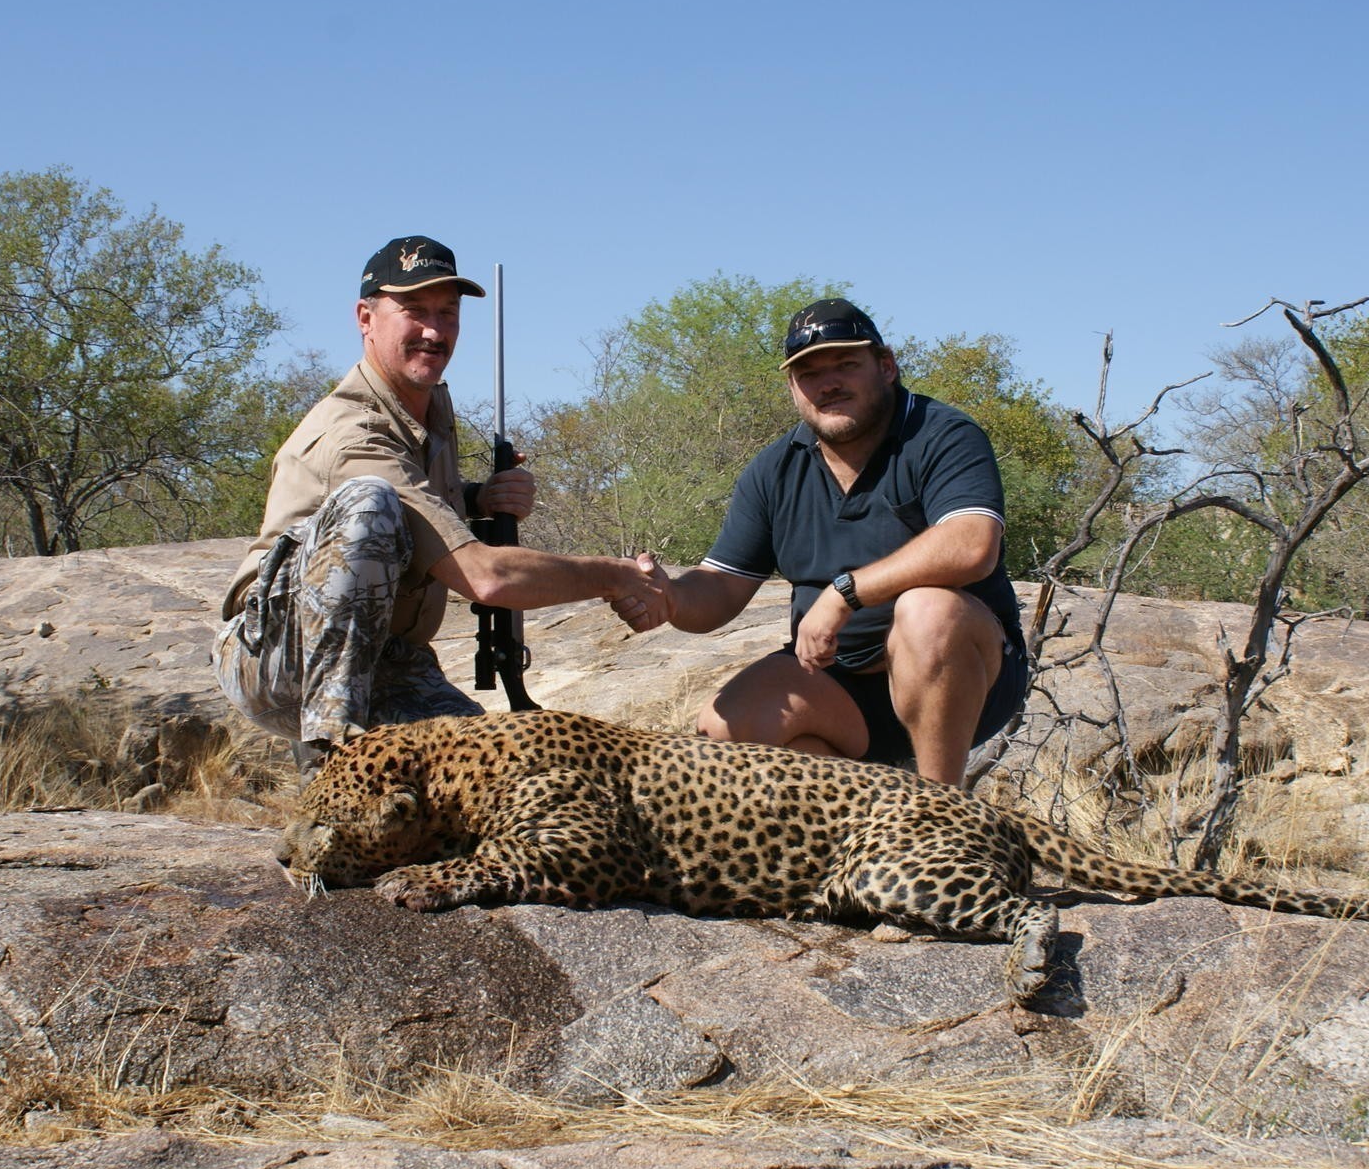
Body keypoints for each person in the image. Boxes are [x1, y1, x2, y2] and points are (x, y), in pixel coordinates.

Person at [214, 235, 667, 776]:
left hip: (390, 660)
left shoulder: (428, 404)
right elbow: (485, 578)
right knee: (367, 504)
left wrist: (477, 497)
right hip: (276, 657)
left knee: (497, 777)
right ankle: (330, 767)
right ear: (366, 317)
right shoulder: (352, 435)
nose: (434, 331)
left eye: (447, 313)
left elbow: (419, 507)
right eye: (414, 311)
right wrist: (614, 577)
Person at [650, 297, 1029, 787]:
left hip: (964, 682)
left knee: (929, 611)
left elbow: (971, 544)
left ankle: (941, 810)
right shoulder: (773, 470)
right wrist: (667, 596)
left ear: (886, 366)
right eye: (808, 373)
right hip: (841, 688)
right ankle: (854, 835)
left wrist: (844, 592)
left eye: (846, 364)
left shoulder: (941, 433)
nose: (828, 383)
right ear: (793, 388)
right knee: (725, 731)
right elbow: (720, 589)